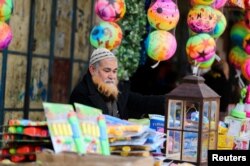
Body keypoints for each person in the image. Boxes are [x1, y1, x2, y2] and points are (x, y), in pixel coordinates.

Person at [70, 48, 166, 119]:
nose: (112, 76)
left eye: (114, 71)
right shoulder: (81, 94)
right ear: (92, 70)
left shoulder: (118, 89)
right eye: (107, 71)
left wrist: (168, 101)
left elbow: (141, 102)